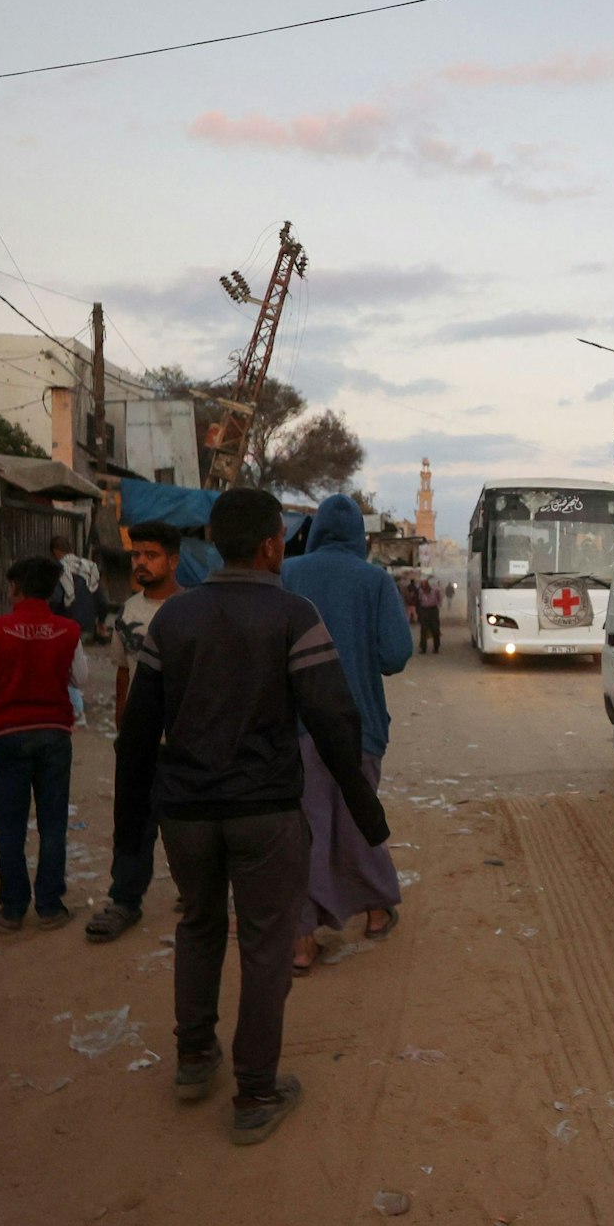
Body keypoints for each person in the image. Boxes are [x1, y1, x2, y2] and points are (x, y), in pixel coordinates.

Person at [112, 487, 390, 1145]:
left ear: (211, 539)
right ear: (271, 544)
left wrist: (131, 833)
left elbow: (138, 731)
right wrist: (365, 811)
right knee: (266, 945)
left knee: (199, 927)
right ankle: (256, 1092)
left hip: (185, 812)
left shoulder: (173, 621)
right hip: (264, 811)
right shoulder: (294, 616)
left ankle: (191, 1059)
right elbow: (332, 717)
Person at [277, 495, 413, 974]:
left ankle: (301, 942)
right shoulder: (374, 580)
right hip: (359, 727)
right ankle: (376, 912)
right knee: (358, 816)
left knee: (304, 829)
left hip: (296, 725)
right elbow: (396, 654)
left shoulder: (289, 574)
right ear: (360, 535)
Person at [0, 556, 87, 934]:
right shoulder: (68, 630)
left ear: (15, 588)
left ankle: (12, 909)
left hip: (9, 736)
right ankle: (50, 906)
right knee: (53, 824)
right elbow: (80, 678)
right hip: (54, 734)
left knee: (10, 827)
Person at [85, 521, 184, 943]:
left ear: (174, 561)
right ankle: (125, 899)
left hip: (183, 740)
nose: (141, 563)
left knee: (186, 822)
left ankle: (200, 893)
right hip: (139, 740)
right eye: (136, 555)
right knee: (131, 821)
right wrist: (123, 724)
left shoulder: (191, 610)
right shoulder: (128, 611)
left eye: (151, 555)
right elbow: (124, 670)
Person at [49, 534, 107, 643]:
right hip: (89, 628)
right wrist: (101, 621)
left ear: (56, 552)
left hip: (65, 628)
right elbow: (102, 601)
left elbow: (55, 600)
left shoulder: (59, 570)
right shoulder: (90, 567)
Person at [415, 575, 443, 654]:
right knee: (424, 630)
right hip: (424, 611)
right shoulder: (420, 591)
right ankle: (423, 648)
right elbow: (419, 600)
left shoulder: (435, 590)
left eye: (425, 584)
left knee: (435, 629)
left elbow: (439, 598)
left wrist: (438, 605)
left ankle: (436, 647)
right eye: (422, 584)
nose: (423, 586)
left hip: (433, 610)